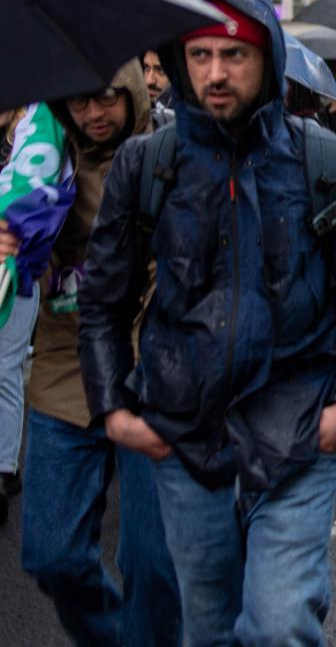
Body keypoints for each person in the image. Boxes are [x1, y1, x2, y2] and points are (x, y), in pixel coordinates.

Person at [77, 0, 336, 646]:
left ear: (267, 56)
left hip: (297, 435)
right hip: (184, 440)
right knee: (208, 629)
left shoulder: (324, 161)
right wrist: (113, 408)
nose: (216, 72)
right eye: (200, 55)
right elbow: (103, 300)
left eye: (234, 54)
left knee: (281, 624)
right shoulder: (147, 164)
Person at [0, 65, 182, 645]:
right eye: (77, 102)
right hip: (66, 366)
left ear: (131, 90)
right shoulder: (37, 161)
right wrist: (11, 240)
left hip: (152, 370)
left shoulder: (173, 152)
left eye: (105, 98)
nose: (92, 114)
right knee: (49, 554)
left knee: (155, 564)